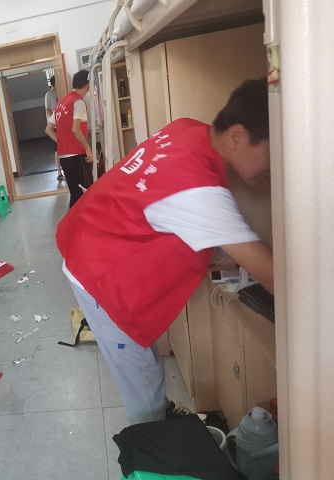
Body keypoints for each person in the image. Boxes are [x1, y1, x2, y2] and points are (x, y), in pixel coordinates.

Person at [56, 78, 274, 425]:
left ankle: (159, 417)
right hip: (98, 273)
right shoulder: (200, 189)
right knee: (142, 377)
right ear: (236, 137)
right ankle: (151, 442)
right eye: (272, 153)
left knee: (145, 367)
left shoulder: (189, 129)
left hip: (92, 238)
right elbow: (274, 277)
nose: (273, 166)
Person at [45, 69, 93, 207]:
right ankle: (84, 220)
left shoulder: (61, 103)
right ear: (87, 86)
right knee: (86, 193)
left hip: (64, 157)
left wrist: (62, 143)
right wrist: (87, 148)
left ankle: (73, 220)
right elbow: (75, 129)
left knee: (75, 193)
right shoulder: (78, 102)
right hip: (77, 156)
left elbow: (48, 129)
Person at [44, 75, 63, 182]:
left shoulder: (61, 93)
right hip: (53, 126)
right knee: (57, 149)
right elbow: (47, 109)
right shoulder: (48, 94)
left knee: (62, 147)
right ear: (54, 83)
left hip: (62, 125)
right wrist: (55, 119)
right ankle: (59, 172)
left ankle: (64, 170)